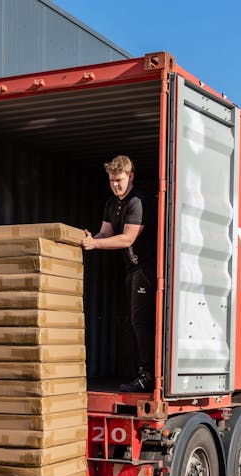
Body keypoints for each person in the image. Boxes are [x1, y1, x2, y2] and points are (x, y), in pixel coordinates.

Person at [81, 155, 157, 392]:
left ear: (130, 176)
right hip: (132, 269)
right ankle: (144, 372)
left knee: (141, 321)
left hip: (147, 268)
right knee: (135, 320)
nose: (115, 185)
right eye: (112, 180)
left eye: (120, 180)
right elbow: (105, 233)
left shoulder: (138, 201)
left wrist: (95, 245)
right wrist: (90, 239)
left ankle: (148, 375)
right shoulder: (112, 204)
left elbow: (127, 238)